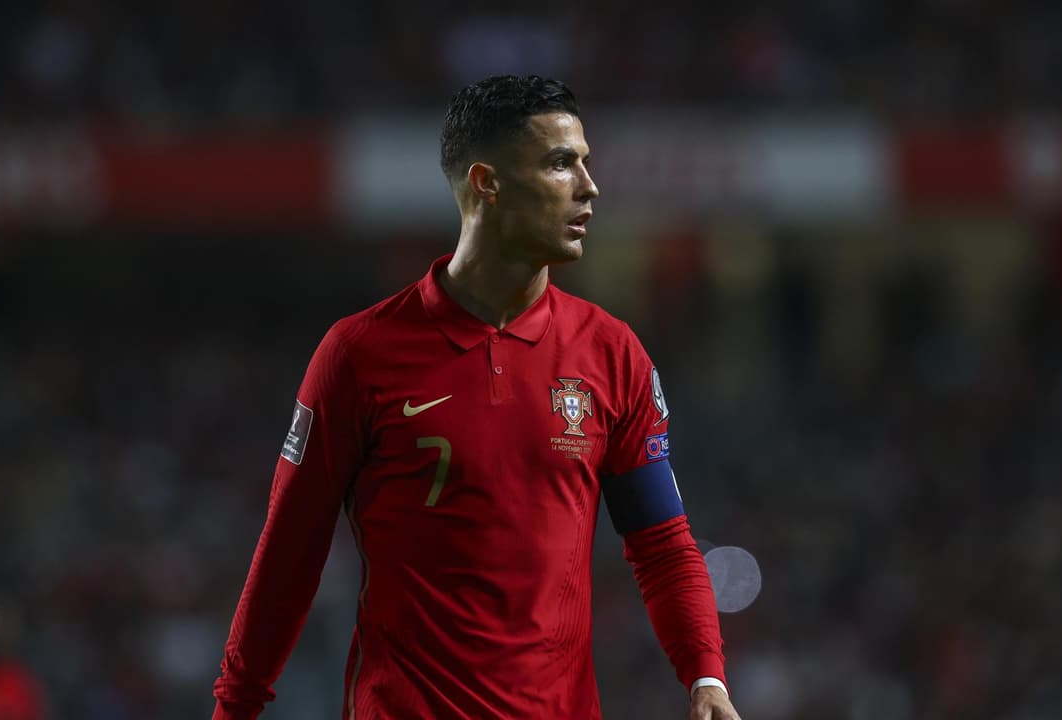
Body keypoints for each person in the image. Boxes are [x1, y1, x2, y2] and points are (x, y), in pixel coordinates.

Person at [212, 74, 741, 720]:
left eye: (585, 163)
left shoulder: (612, 353)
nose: (589, 187)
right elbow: (289, 554)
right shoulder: (358, 355)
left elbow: (662, 546)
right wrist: (234, 708)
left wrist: (706, 678)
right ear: (487, 183)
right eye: (560, 164)